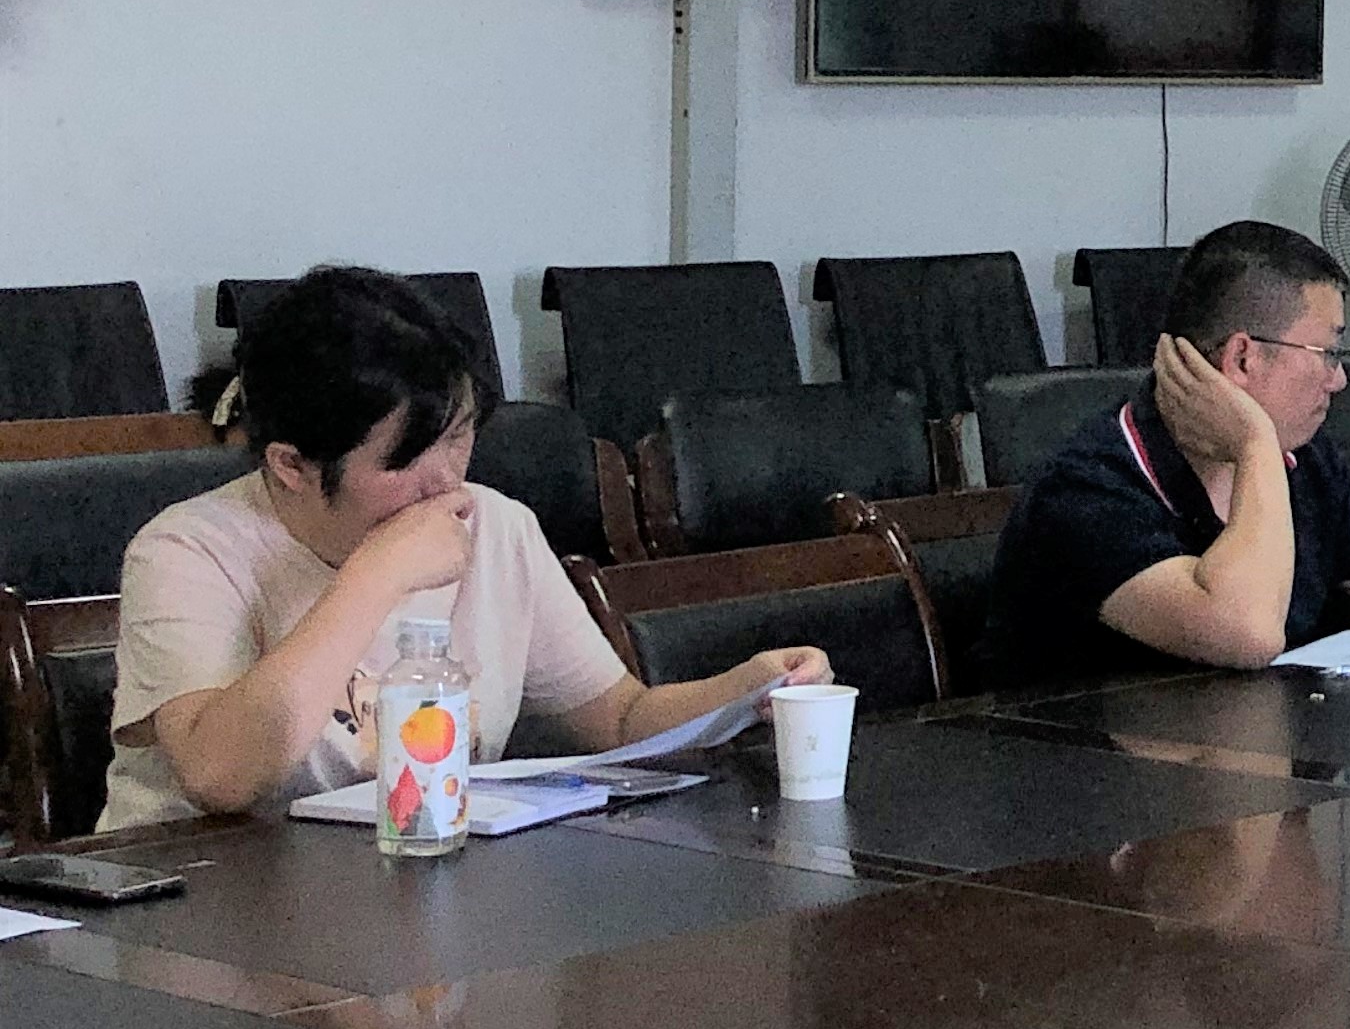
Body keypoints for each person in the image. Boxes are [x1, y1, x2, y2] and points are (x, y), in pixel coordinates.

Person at [106, 267, 829, 829]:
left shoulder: (497, 527)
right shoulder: (186, 551)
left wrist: (745, 690)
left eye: (458, 438)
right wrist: (376, 577)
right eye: (405, 459)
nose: (446, 480)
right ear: (290, 465)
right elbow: (220, 777)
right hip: (213, 907)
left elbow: (619, 718)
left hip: (407, 888)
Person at [991, 219, 1350, 682]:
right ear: (1242, 357)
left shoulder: (1306, 460)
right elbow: (1246, 633)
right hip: (1084, 753)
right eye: (1329, 353)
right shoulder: (1087, 487)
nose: (1339, 379)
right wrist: (1254, 443)